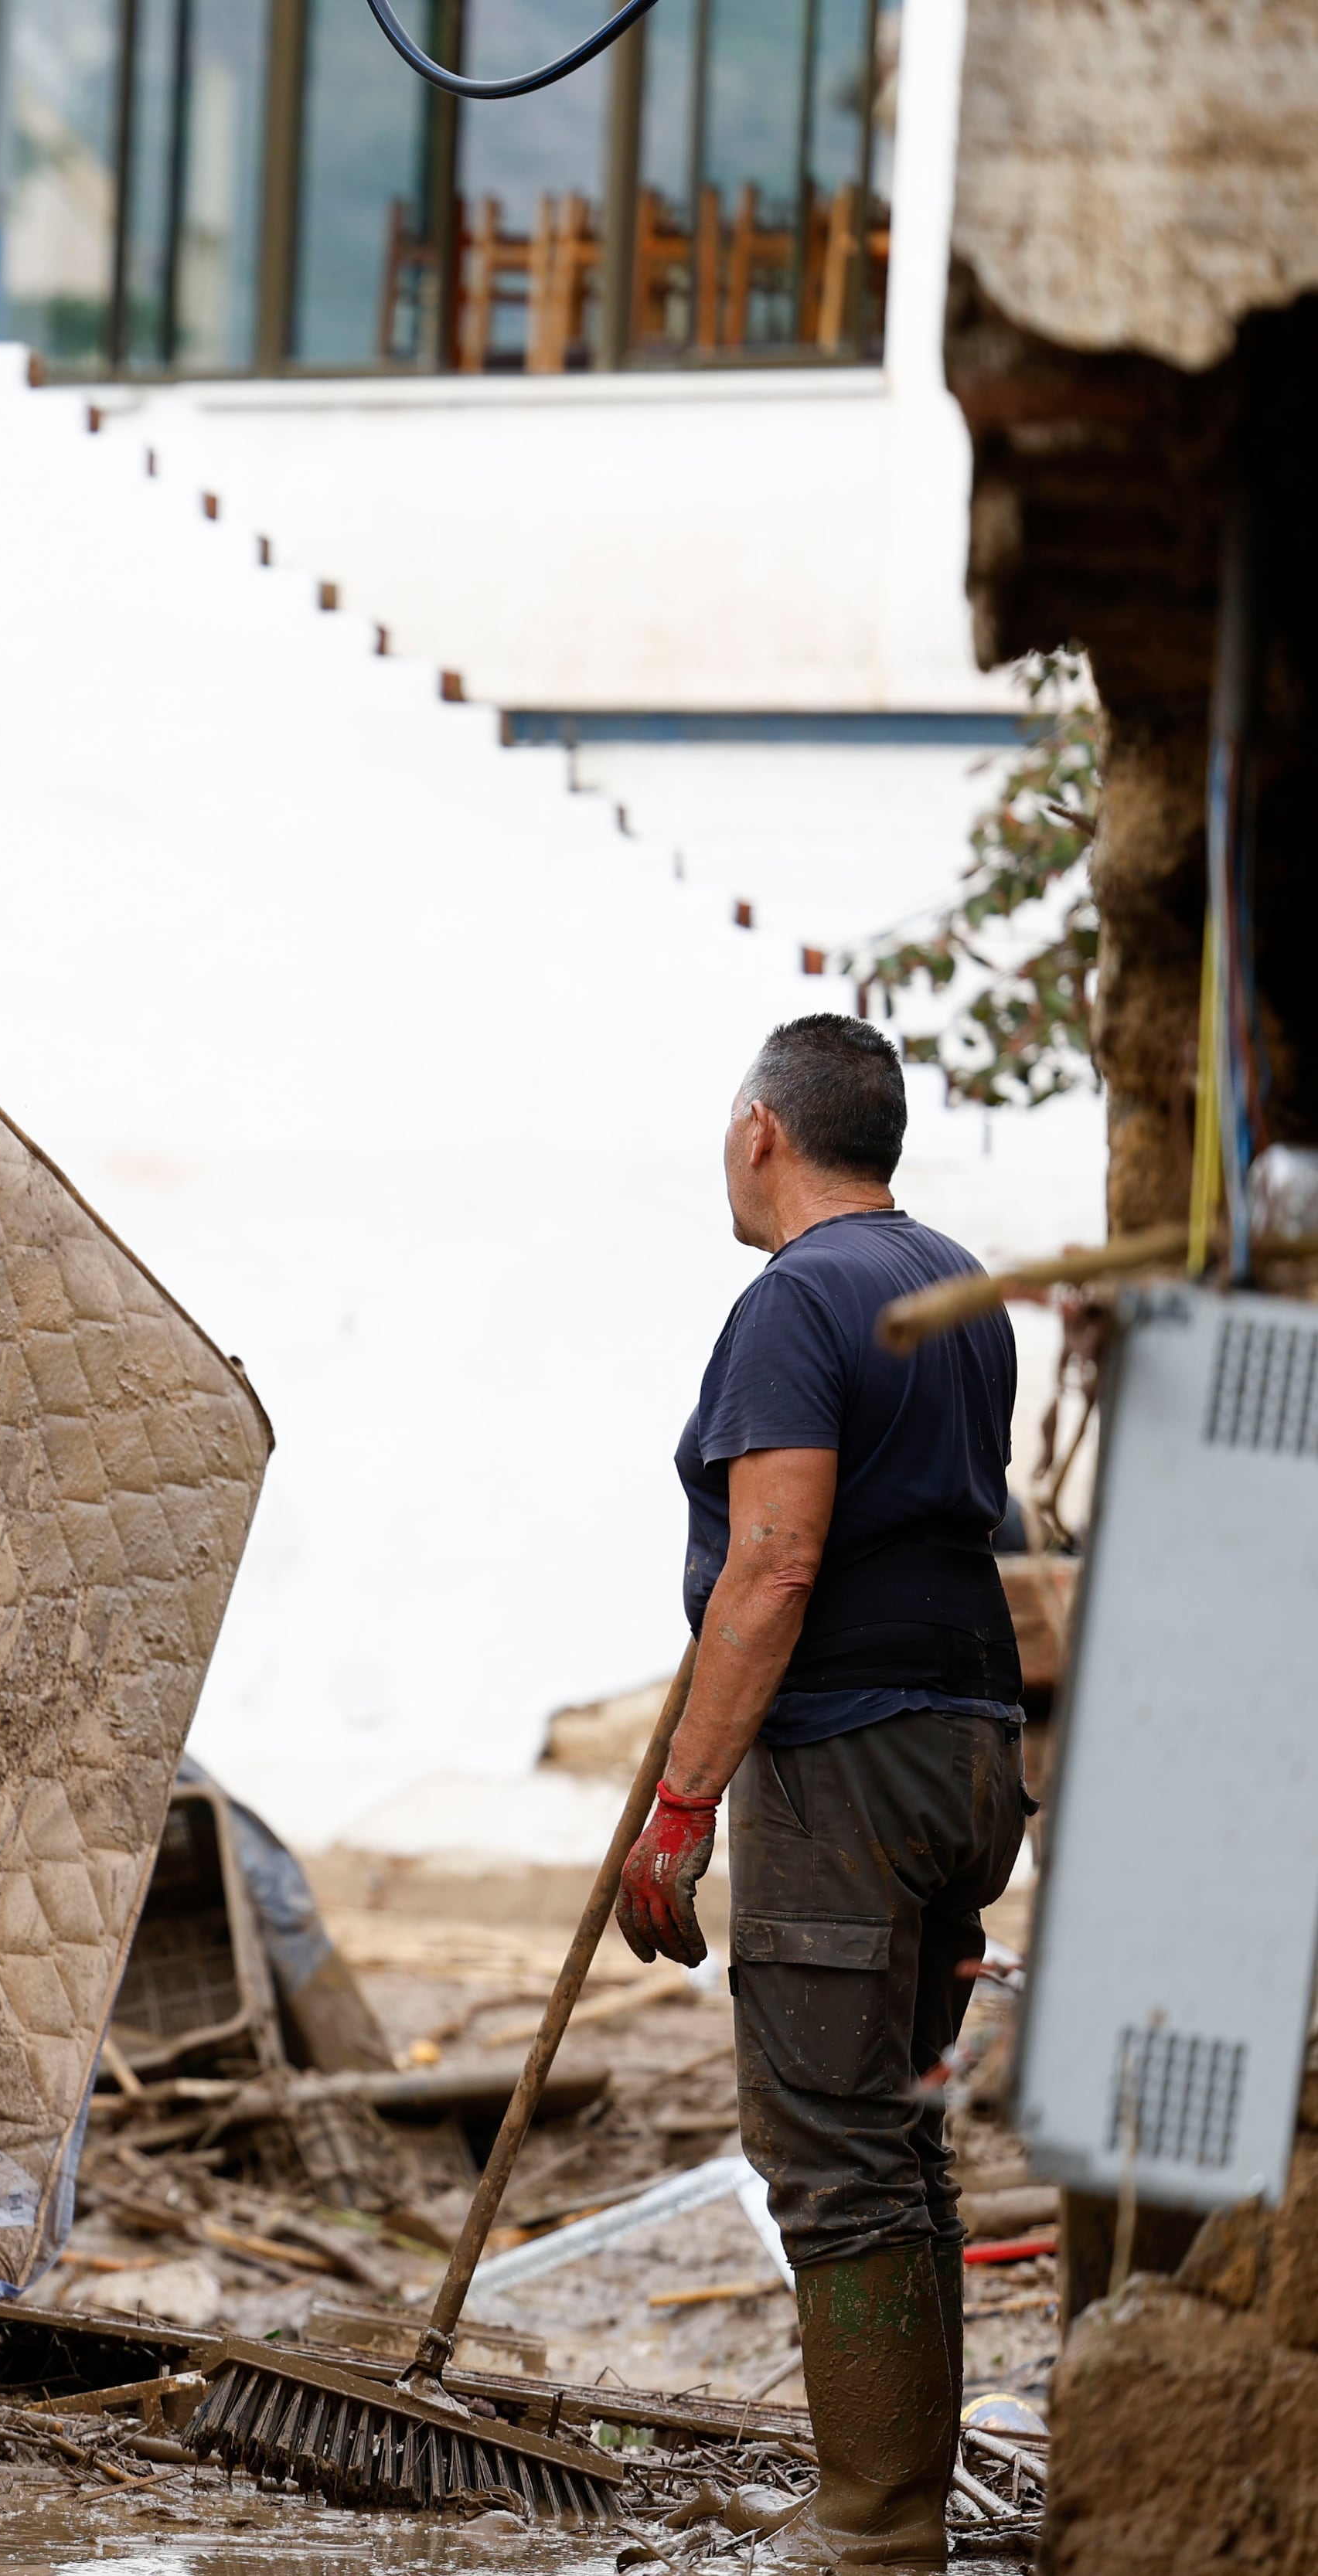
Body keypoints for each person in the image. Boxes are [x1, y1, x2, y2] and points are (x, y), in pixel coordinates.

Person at [615, 1013, 1028, 2571]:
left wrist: (679, 1805)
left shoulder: (790, 1299)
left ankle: (869, 2536)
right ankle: (895, 2506)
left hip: (849, 1754)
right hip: (970, 1745)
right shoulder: (952, 1280)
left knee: (832, 2152)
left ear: (763, 1134)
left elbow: (776, 1558)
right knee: (894, 2142)